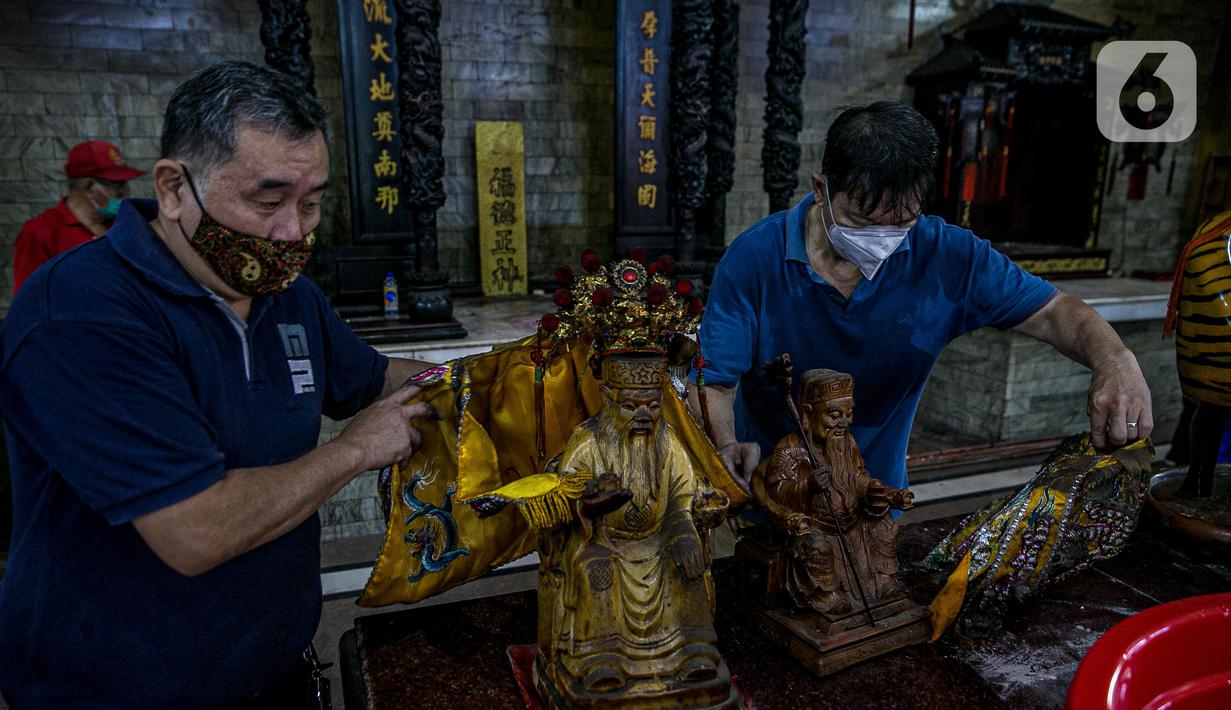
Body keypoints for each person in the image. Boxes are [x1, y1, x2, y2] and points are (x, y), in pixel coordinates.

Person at [0, 61, 437, 707]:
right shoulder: (82, 314)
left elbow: (371, 380)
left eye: (312, 203)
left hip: (265, 655)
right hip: (120, 681)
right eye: (267, 202)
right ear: (175, 188)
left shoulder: (286, 294)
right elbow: (194, 530)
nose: (293, 232)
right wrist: (355, 450)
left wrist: (496, 377)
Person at [697, 100, 1153, 492]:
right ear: (822, 190)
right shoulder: (755, 257)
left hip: (876, 496)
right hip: (773, 492)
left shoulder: (949, 256)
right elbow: (717, 381)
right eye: (860, 220)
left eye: (901, 222)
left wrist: (1115, 360)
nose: (880, 239)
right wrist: (724, 444)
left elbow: (1055, 312)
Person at [12, 140, 144, 293]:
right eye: (117, 187)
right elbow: (28, 299)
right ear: (88, 186)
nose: (124, 195)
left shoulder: (123, 225)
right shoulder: (41, 233)